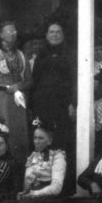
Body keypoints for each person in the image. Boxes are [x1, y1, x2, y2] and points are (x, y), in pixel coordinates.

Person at [28, 20, 77, 166]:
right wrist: (31, 104)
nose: (54, 34)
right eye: (51, 32)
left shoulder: (70, 54)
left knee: (60, 138)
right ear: (47, 35)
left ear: (63, 35)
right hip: (41, 103)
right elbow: (34, 80)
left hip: (61, 103)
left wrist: (73, 103)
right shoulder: (41, 54)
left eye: (58, 32)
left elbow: (74, 80)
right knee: (41, 137)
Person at [0, 19, 32, 160]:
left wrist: (19, 86)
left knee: (17, 135)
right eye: (9, 31)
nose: (13, 33)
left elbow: (29, 81)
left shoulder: (22, 56)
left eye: (14, 31)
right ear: (1, 35)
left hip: (17, 101)